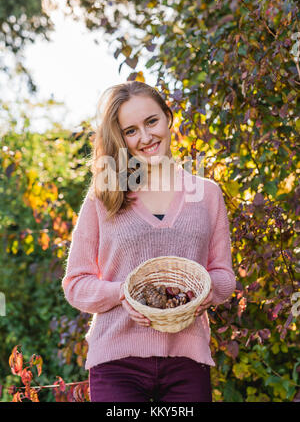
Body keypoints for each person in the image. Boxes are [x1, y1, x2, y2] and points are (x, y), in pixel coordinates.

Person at [62, 81, 236, 402]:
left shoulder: (207, 193)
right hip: (117, 362)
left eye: (151, 121)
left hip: (187, 358)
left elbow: (224, 275)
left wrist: (202, 291)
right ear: (121, 139)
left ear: (168, 118)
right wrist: (122, 294)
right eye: (131, 130)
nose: (145, 137)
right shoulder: (104, 197)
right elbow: (76, 284)